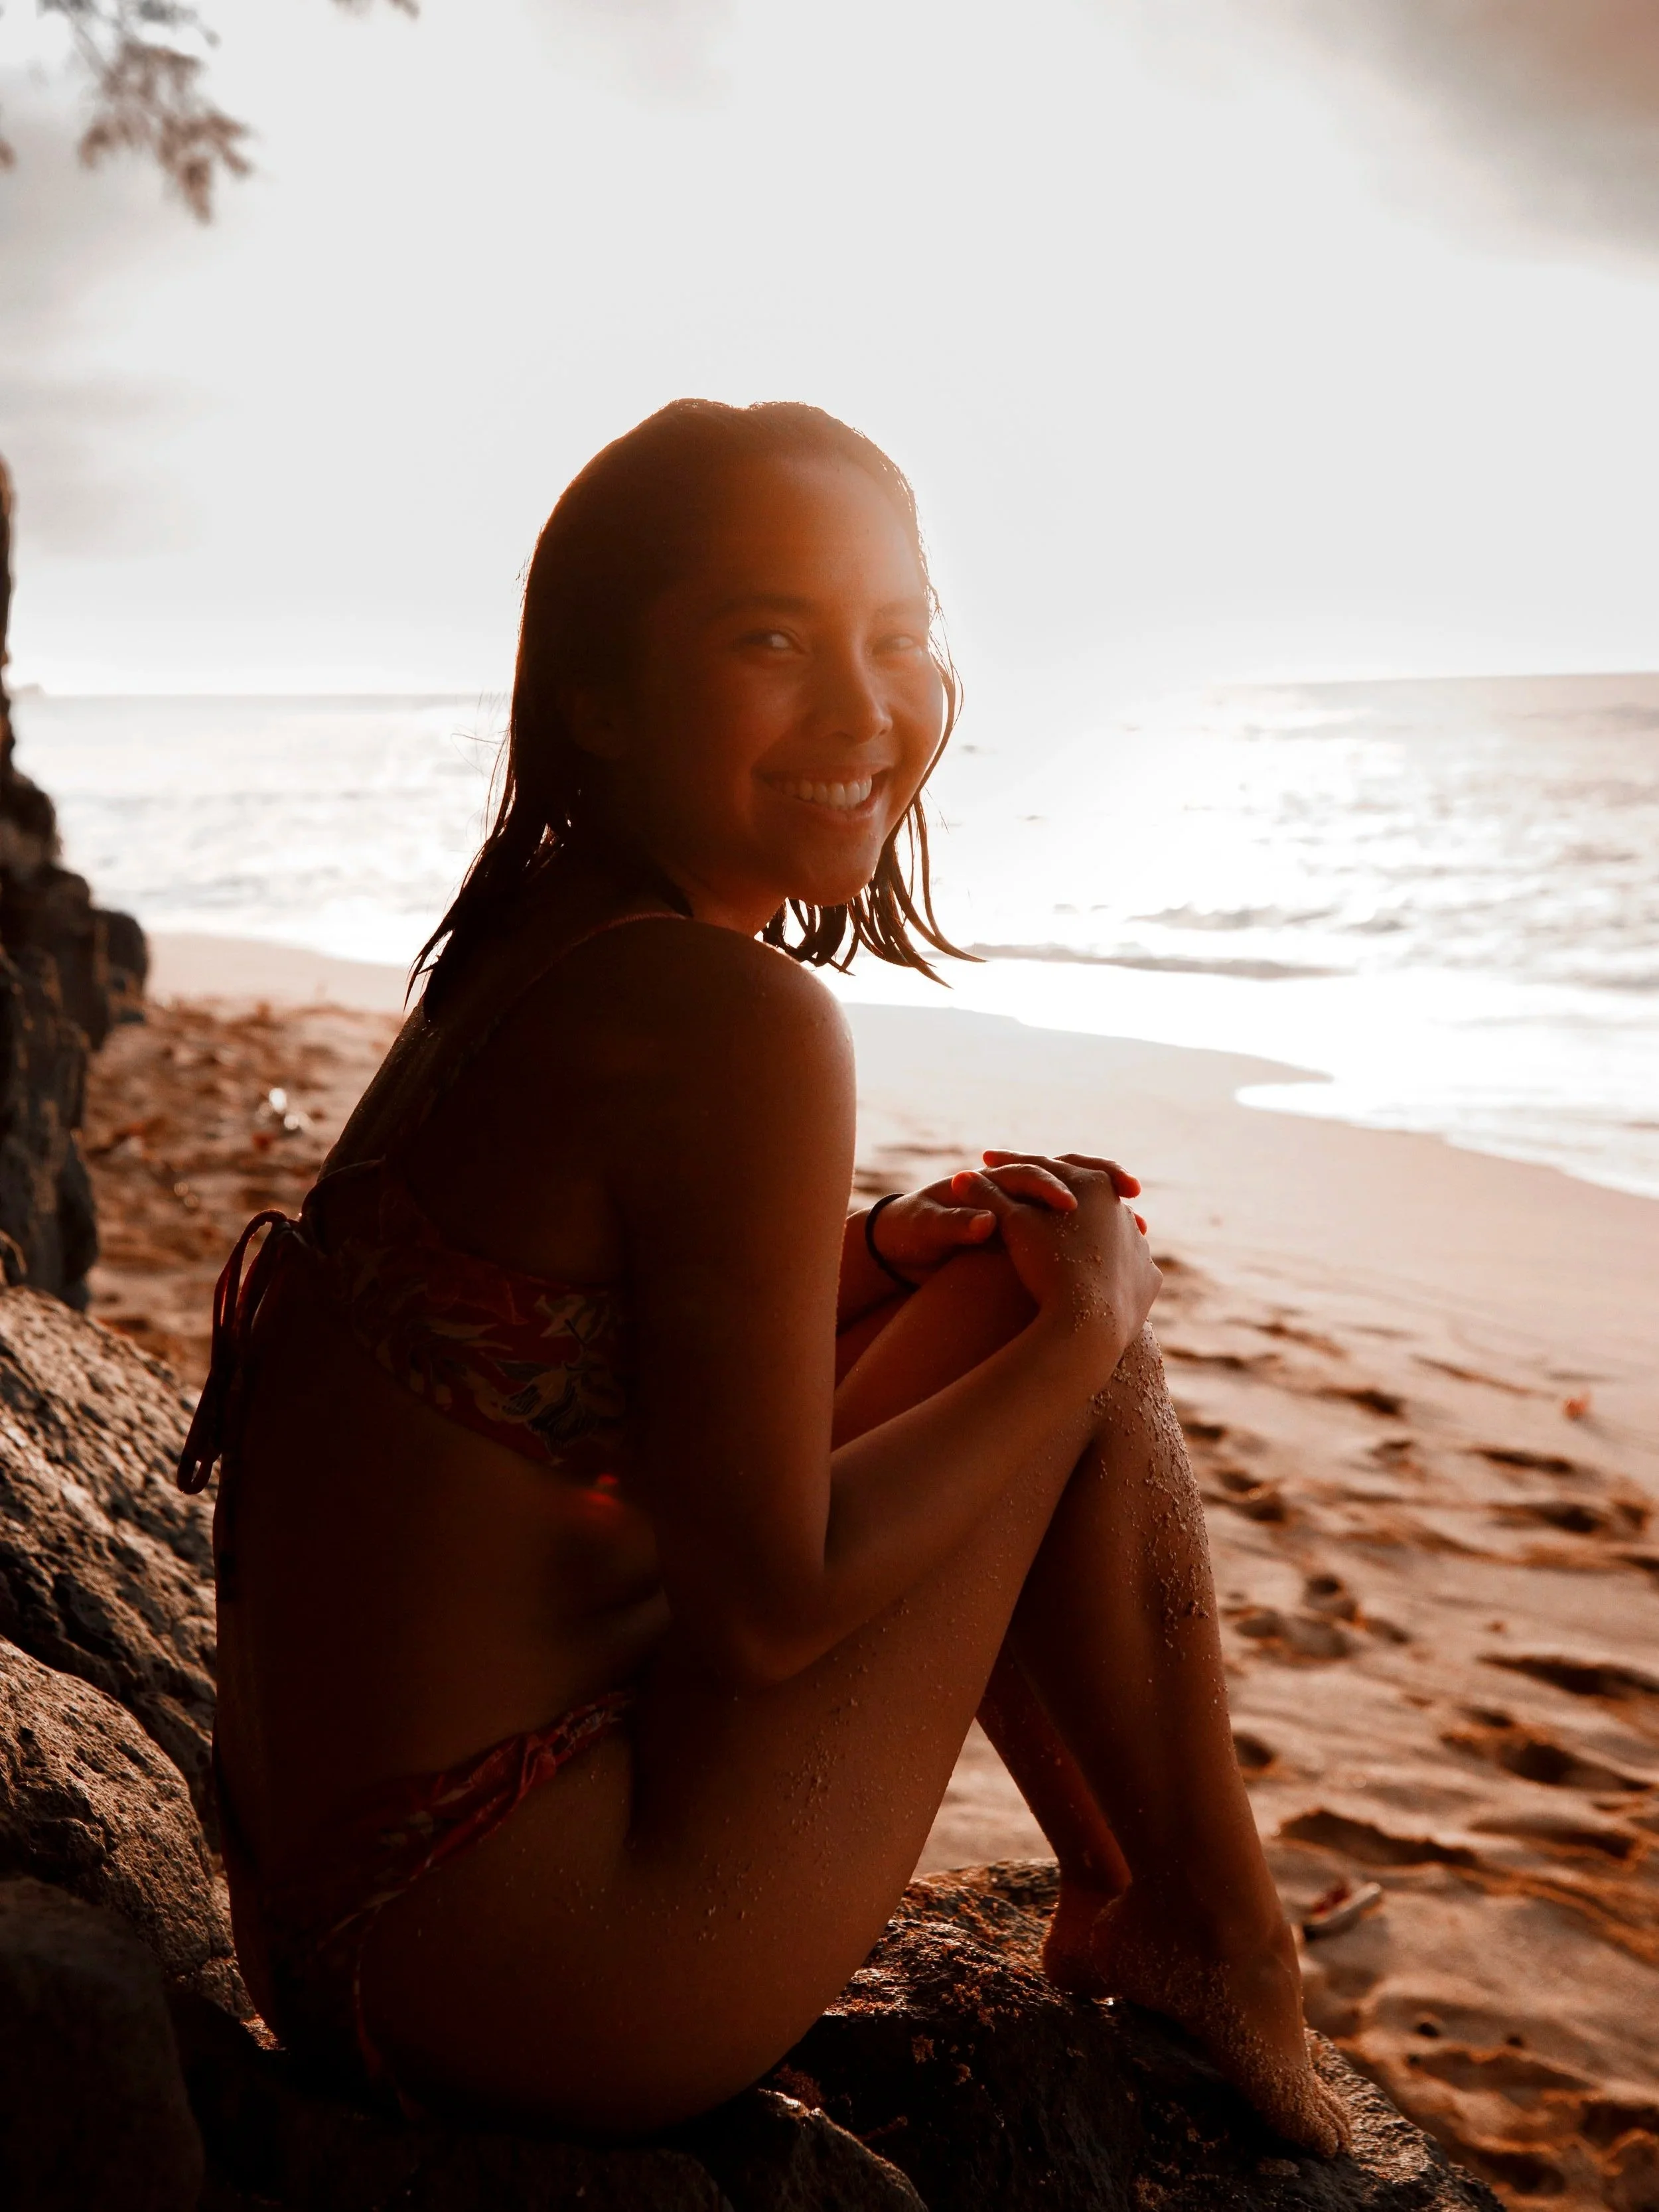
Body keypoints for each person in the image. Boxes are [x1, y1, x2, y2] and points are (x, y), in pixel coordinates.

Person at [182, 398, 1346, 2156]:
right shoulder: (735, 1016)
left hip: (338, 1923)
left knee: (994, 1267)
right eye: (769, 636)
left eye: (896, 634)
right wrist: (1087, 1331)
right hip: (536, 1979)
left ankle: (1148, 1888)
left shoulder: (534, 948)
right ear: (597, 698)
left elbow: (592, 1389)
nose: (862, 704)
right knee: (1054, 1313)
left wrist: (882, 1250)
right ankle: (1209, 1924)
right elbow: (765, 1605)